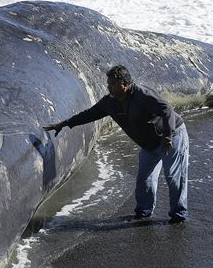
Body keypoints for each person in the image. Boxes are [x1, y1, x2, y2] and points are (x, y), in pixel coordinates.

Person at [43, 65, 189, 224]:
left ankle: (178, 215)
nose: (109, 87)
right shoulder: (110, 102)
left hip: (171, 136)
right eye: (108, 84)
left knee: (174, 177)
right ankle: (143, 213)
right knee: (144, 179)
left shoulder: (142, 95)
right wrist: (65, 123)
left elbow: (167, 109)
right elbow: (90, 114)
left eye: (112, 84)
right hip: (149, 144)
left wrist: (168, 136)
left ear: (125, 84)